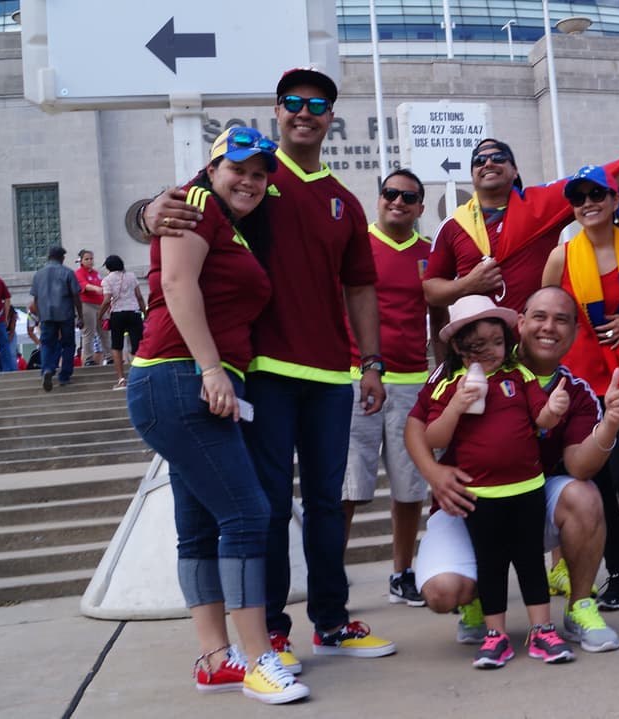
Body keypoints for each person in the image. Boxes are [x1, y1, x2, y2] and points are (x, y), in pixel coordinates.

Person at [146, 66, 395, 664]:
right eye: (292, 102)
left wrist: (372, 363)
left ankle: (331, 621)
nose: (304, 111)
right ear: (277, 112)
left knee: (329, 505)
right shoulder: (249, 176)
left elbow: (360, 287)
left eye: (317, 104)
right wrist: (147, 212)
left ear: (330, 118)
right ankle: (275, 629)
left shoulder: (344, 201)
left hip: (333, 376)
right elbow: (175, 210)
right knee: (267, 507)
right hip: (262, 371)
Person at [127, 127, 308, 705]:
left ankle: (214, 660)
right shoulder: (197, 203)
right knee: (249, 515)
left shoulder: (225, 222)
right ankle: (258, 658)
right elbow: (178, 285)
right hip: (182, 376)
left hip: (182, 381)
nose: (250, 181)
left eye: (260, 174)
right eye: (239, 169)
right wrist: (211, 369)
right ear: (211, 169)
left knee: (200, 527)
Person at [407, 286, 619, 654]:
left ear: (575, 332)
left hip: (527, 498)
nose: (550, 327)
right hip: (467, 501)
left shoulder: (571, 390)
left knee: (584, 495)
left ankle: (579, 608)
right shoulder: (470, 364)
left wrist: (610, 424)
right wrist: (434, 474)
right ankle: (477, 598)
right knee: (443, 592)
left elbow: (579, 465)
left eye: (562, 320)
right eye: (540, 317)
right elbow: (416, 425)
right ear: (522, 323)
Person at [418, 294, 575, 668]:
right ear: (457, 346)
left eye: (497, 342)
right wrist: (456, 404)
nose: (489, 351)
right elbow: (434, 438)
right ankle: (496, 634)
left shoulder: (518, 375)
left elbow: (541, 419)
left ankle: (542, 631)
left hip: (527, 488)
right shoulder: (450, 383)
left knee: (529, 562)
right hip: (479, 495)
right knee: (490, 564)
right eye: (477, 346)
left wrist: (553, 409)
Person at [541, 165, 619, 610]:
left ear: (615, 200)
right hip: (581, 386)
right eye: (579, 198)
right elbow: (545, 318)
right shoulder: (561, 257)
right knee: (596, 483)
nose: (588, 203)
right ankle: (617, 576)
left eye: (598, 194)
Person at [341, 168, 438, 607]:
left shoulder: (430, 253)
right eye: (390, 194)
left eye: (408, 197)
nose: (397, 201)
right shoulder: (353, 244)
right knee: (348, 487)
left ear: (419, 207)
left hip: (412, 380)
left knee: (409, 487)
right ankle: (332, 575)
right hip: (354, 378)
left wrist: (444, 371)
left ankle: (402, 572)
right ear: (378, 199)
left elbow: (440, 317)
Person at [422, 139, 619, 314]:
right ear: (472, 175)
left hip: (535, 350)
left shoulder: (539, 205)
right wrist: (467, 284)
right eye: (479, 161)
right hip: (478, 351)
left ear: (515, 170)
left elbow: (611, 176)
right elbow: (431, 291)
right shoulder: (452, 225)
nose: (488, 163)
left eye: (499, 157)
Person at [29, 246, 83, 392]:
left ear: (48, 257)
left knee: (47, 343)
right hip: (65, 313)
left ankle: (47, 369)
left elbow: (35, 298)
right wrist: (80, 316)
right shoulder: (68, 272)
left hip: (46, 314)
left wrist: (40, 316)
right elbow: (76, 296)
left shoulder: (38, 274)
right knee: (68, 344)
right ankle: (64, 376)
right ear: (62, 258)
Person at [98, 254, 146, 390]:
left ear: (108, 267)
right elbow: (139, 297)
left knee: (117, 346)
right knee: (138, 346)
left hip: (118, 314)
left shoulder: (107, 280)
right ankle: (140, 376)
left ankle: (121, 379)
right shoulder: (131, 276)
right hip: (134, 313)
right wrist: (145, 313)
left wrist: (100, 315)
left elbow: (107, 300)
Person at [76, 249, 110, 366]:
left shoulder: (96, 273)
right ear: (81, 261)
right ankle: (88, 358)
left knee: (104, 331)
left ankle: (109, 355)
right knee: (88, 332)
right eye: (87, 259)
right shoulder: (79, 273)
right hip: (87, 304)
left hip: (100, 304)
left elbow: (103, 284)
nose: (90, 261)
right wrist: (96, 289)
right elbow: (84, 285)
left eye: (91, 258)